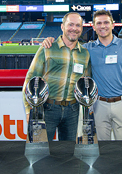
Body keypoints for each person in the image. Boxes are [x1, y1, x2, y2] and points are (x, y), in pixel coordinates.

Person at [43, 9, 122, 141]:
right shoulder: (87, 49)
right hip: (98, 104)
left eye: (106, 22)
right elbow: (69, 44)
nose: (103, 26)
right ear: (94, 27)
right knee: (100, 147)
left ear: (113, 25)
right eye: (99, 23)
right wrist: (50, 40)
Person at [22, 12, 91, 141]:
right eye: (70, 24)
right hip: (47, 108)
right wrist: (28, 110)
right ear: (62, 26)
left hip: (73, 110)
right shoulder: (47, 48)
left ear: (82, 28)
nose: (74, 29)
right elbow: (30, 79)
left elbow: (85, 84)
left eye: (78, 25)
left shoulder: (85, 54)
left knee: (68, 153)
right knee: (39, 148)